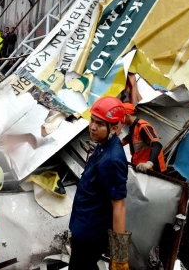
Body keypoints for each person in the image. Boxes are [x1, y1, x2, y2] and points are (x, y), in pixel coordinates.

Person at [69, 96, 130, 270]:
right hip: (83, 225)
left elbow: (119, 206)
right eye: (92, 120)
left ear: (116, 127)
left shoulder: (112, 160)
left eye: (100, 124)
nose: (93, 127)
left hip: (91, 234)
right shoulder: (103, 144)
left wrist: (119, 257)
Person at [121, 102, 166, 173]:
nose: (120, 120)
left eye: (121, 116)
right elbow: (122, 142)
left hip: (152, 169)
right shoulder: (132, 129)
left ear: (127, 115)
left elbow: (157, 145)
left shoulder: (143, 126)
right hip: (140, 168)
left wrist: (149, 163)